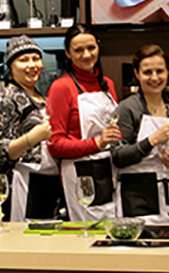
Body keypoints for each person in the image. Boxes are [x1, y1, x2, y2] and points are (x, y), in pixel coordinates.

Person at [47, 24, 122, 221]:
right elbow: (55, 144)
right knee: (91, 236)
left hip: (111, 168)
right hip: (82, 174)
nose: (86, 55)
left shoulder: (107, 84)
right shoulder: (61, 87)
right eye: (78, 50)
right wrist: (97, 143)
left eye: (91, 48)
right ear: (68, 53)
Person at [112, 44, 169, 223]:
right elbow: (118, 156)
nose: (154, 77)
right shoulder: (128, 109)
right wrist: (151, 141)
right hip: (139, 199)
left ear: (168, 72)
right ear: (137, 73)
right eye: (147, 72)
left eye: (160, 71)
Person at [0, 35, 62, 220]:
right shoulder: (6, 98)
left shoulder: (41, 96)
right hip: (22, 182)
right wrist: (32, 138)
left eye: (36, 58)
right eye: (23, 60)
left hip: (47, 181)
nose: (32, 65)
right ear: (11, 67)